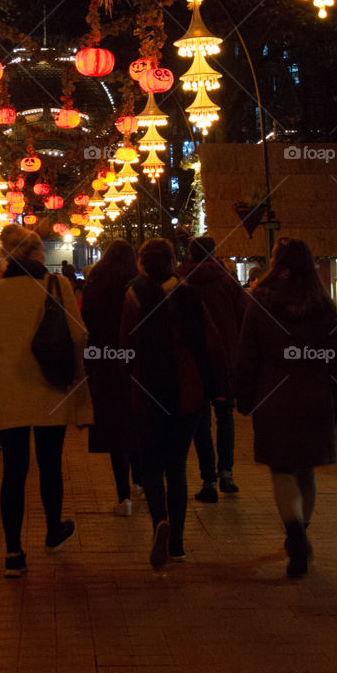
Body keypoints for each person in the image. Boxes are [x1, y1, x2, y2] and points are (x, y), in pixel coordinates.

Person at [235, 237, 337, 579]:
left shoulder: (260, 301)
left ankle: (295, 534)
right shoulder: (321, 303)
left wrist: (243, 397)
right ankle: (301, 531)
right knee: (306, 469)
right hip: (315, 394)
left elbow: (248, 353)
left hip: (273, 394)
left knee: (282, 469)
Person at [0, 224, 92, 577]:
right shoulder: (59, 286)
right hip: (50, 389)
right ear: (34, 253)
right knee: (50, 465)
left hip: (8, 392)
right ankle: (53, 530)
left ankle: (14, 551)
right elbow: (78, 335)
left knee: (13, 471)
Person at [120, 238, 226, 569]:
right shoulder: (188, 294)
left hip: (147, 391)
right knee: (177, 467)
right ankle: (177, 544)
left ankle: (158, 524)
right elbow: (212, 343)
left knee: (151, 465)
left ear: (142, 263)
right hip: (186, 392)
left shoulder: (133, 296)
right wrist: (217, 386)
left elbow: (125, 343)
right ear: (171, 261)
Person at [178, 235, 250, 501]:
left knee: (201, 420)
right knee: (225, 415)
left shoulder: (182, 281)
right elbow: (245, 315)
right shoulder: (226, 281)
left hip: (195, 360)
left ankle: (208, 480)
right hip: (225, 359)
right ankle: (227, 473)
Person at [80, 239, 141, 515]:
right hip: (135, 361)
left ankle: (124, 497)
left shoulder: (96, 282)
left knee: (116, 429)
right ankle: (140, 482)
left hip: (105, 361)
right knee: (137, 422)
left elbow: (86, 321)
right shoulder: (138, 283)